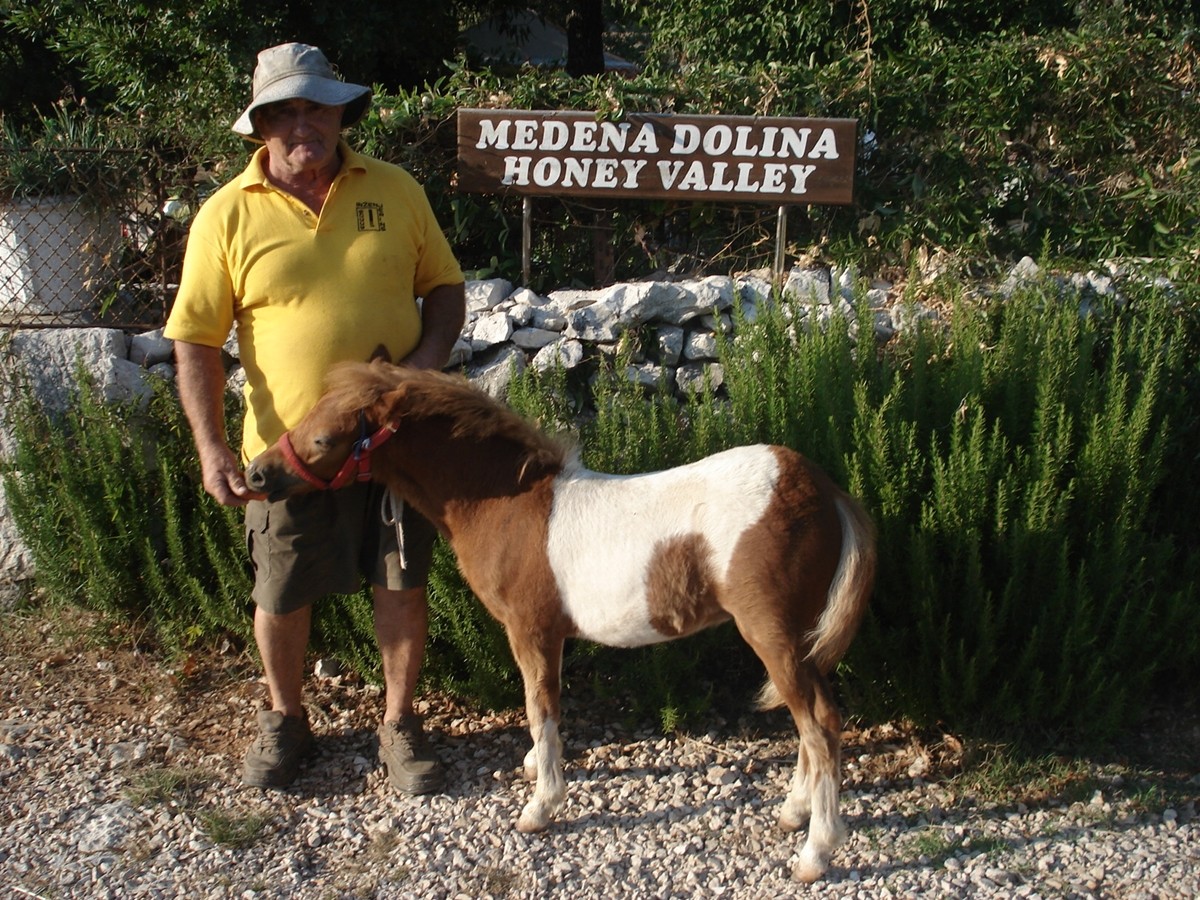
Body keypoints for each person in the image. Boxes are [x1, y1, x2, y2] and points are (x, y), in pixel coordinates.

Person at [164, 42, 466, 793]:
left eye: (318, 106)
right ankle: (285, 719)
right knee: (282, 590)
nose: (306, 123)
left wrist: (422, 369)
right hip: (288, 451)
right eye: (286, 110)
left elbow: (446, 288)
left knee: (401, 582)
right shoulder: (226, 215)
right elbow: (196, 341)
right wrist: (210, 450)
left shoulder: (396, 190)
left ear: (341, 113)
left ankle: (399, 725)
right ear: (260, 123)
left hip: (398, 443)